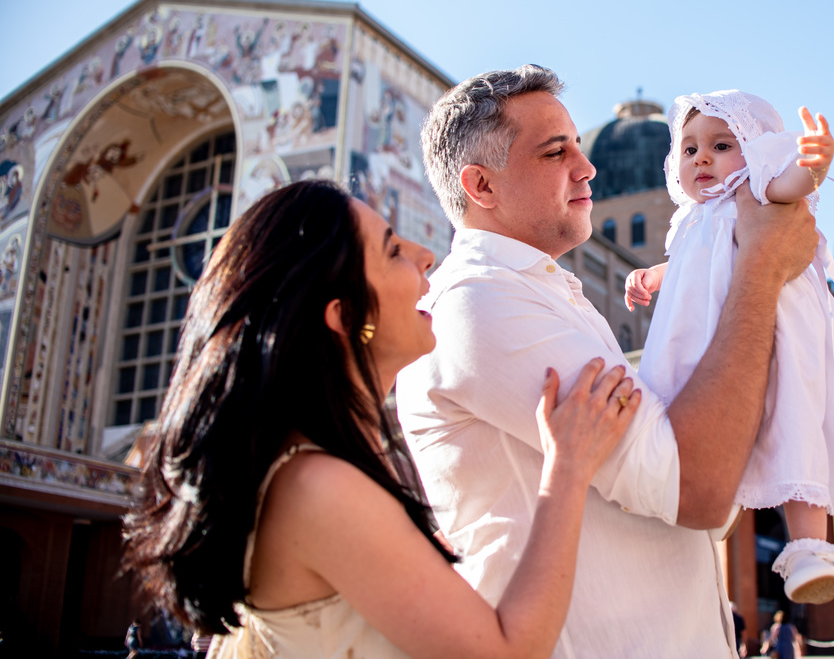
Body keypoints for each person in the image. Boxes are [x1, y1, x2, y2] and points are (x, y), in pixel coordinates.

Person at [398, 65, 819, 658]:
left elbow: (707, 499)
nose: (587, 165)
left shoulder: (549, 296)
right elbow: (696, 485)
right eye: (554, 151)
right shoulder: (479, 304)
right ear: (482, 187)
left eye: (577, 143)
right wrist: (760, 270)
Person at [122, 179, 640, 659]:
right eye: (393, 250)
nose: (424, 255)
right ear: (346, 316)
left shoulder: (317, 472)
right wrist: (567, 467)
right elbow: (505, 652)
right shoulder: (318, 487)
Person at [626, 90, 834, 604]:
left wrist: (814, 165)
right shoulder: (692, 221)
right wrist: (653, 277)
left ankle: (810, 547)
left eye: (721, 145)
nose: (702, 159)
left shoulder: (759, 191)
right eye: (690, 149)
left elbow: (792, 185)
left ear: (757, 151)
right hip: (706, 350)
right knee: (695, 416)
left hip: (777, 335)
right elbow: (691, 264)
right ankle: (710, 500)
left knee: (793, 421)